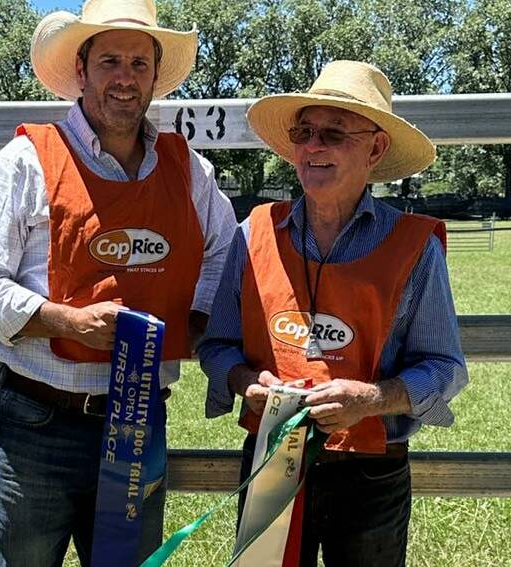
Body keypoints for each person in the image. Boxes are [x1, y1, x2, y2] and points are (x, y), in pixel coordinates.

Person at [0, 0, 236, 564]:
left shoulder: (191, 170)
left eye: (138, 63)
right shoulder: (27, 160)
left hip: (139, 420)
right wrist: (66, 321)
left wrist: (193, 321)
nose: (124, 79)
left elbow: (224, 254)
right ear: (80, 72)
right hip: (39, 423)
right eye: (109, 61)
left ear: (155, 76)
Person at [198, 60, 469, 566]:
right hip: (271, 459)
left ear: (376, 148)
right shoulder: (252, 235)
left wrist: (369, 399)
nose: (313, 146)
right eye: (304, 132)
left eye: (334, 133)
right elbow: (216, 346)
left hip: (371, 472)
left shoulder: (414, 248)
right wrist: (247, 386)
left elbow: (446, 368)